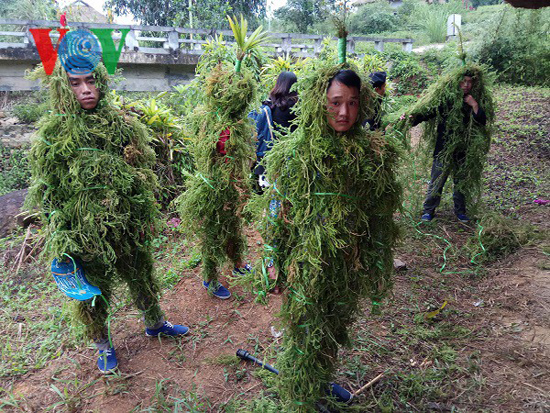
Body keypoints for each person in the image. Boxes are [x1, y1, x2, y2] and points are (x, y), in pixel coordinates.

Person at [26, 62, 189, 373]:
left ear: (101, 82)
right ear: (62, 88)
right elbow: (48, 192)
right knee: (93, 290)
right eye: (75, 83)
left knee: (142, 275)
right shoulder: (53, 136)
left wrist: (142, 216)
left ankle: (155, 322)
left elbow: (140, 176)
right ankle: (102, 345)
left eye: (91, 81)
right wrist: (63, 233)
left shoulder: (122, 125)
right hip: (86, 232)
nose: (86, 90)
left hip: (127, 225)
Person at [261, 67, 400, 410]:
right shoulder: (296, 154)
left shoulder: (372, 154)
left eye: (353, 103)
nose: (344, 112)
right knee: (304, 334)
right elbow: (277, 212)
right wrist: (272, 264)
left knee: (332, 329)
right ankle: (300, 397)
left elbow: (380, 215)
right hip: (306, 264)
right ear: (317, 104)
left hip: (347, 265)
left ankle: (320, 382)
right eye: (335, 102)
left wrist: (375, 260)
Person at [407, 65, 494, 223]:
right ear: (457, 82)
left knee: (461, 181)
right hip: (444, 148)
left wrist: (474, 105)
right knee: (437, 179)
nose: (466, 85)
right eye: (463, 82)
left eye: (469, 82)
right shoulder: (447, 99)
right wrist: (412, 119)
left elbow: (482, 121)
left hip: (463, 149)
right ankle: (428, 210)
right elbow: (429, 112)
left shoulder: (473, 101)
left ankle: (460, 211)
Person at [250, 71, 298, 192]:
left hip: (269, 157)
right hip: (291, 158)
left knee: (271, 196)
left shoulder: (270, 104)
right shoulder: (296, 106)